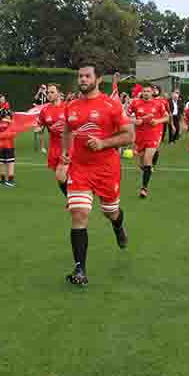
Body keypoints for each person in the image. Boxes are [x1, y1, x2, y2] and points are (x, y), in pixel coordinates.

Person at [59, 62, 133, 286]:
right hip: (80, 169)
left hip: (106, 170)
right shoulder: (71, 106)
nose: (82, 80)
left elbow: (129, 135)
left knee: (110, 212)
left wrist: (103, 143)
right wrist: (65, 152)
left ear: (98, 79)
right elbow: (67, 131)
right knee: (79, 213)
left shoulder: (111, 105)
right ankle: (80, 270)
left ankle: (118, 226)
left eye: (87, 76)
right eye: (80, 76)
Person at [127, 84, 169, 198]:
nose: (146, 93)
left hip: (154, 134)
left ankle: (144, 188)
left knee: (147, 160)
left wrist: (157, 121)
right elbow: (125, 117)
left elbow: (167, 117)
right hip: (140, 136)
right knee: (142, 163)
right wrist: (135, 121)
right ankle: (148, 168)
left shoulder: (159, 103)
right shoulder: (135, 103)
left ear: (152, 92)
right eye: (144, 91)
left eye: (148, 91)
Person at [37, 83, 69, 196]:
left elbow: (76, 125)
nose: (49, 95)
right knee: (60, 177)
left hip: (67, 146)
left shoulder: (67, 107)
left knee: (61, 175)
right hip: (54, 147)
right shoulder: (45, 110)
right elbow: (40, 124)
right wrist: (38, 128)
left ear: (59, 94)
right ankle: (73, 196)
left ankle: (72, 199)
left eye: (52, 92)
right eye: (48, 92)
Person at [0, 108, 16, 187]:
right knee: (10, 163)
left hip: (1, 146)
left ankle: (2, 180)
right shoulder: (10, 123)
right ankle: (10, 180)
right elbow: (13, 134)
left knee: (3, 163)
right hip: (9, 146)